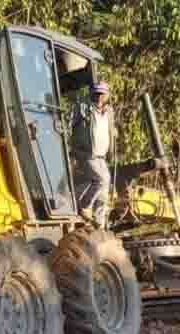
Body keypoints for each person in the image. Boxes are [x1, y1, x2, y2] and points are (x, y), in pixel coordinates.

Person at [70, 80, 116, 228]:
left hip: (101, 156)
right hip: (86, 154)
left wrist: (111, 150)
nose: (99, 97)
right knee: (102, 179)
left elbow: (110, 131)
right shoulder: (83, 108)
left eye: (102, 94)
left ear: (107, 95)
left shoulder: (109, 112)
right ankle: (85, 206)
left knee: (104, 189)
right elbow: (69, 125)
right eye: (97, 93)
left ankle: (99, 222)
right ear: (91, 94)